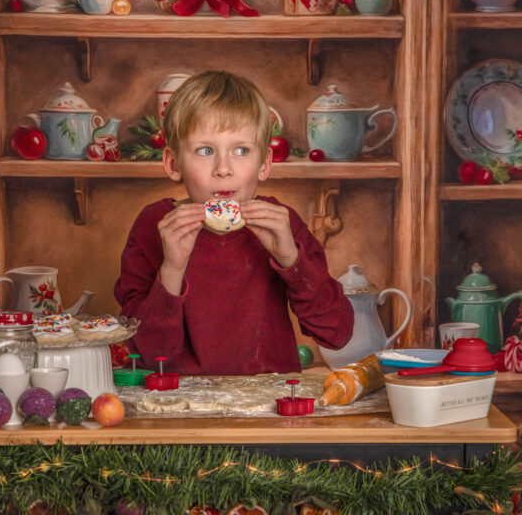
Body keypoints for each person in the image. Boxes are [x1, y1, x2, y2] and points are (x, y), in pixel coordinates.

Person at [114, 71, 354, 375]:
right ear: (174, 164)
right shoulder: (155, 226)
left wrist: (292, 260)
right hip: (180, 406)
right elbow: (148, 355)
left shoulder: (282, 224)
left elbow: (337, 333)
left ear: (264, 163)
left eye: (241, 150)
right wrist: (171, 270)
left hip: (272, 405)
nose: (224, 169)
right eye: (205, 150)